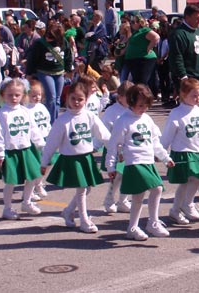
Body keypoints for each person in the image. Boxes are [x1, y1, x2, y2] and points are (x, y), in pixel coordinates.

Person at [106, 84, 174, 240]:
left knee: (143, 195)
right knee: (154, 189)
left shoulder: (147, 119)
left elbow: (155, 142)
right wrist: (111, 165)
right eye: (140, 105)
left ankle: (136, 226)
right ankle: (149, 223)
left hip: (147, 162)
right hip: (134, 163)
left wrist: (165, 158)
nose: (144, 108)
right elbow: (113, 145)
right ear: (131, 102)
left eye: (146, 105)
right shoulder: (123, 121)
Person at [41, 80, 110, 233]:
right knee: (82, 190)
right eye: (73, 98)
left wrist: (117, 147)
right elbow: (52, 142)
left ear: (86, 99)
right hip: (71, 159)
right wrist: (44, 162)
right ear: (67, 99)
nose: (77, 102)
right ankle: (84, 220)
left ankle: (68, 211)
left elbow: (103, 134)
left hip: (86, 157)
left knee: (87, 188)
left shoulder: (90, 116)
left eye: (80, 99)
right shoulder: (63, 120)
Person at [161, 78, 199, 224]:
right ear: (183, 95)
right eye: (194, 95)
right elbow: (167, 135)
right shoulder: (176, 113)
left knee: (198, 177)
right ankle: (178, 209)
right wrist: (162, 153)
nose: (197, 98)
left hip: (198, 152)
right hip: (182, 152)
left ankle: (183, 205)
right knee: (185, 182)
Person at [0, 78, 45, 220]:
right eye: (10, 95)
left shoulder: (26, 111)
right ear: (3, 95)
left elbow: (33, 129)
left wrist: (41, 144)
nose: (14, 98)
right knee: (11, 181)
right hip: (10, 152)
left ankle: (26, 202)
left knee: (33, 175)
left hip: (26, 150)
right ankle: (7, 209)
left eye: (17, 95)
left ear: (23, 95)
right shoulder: (2, 114)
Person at [25, 22, 73, 124]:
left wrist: (68, 69)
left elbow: (68, 56)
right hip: (44, 72)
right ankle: (50, 122)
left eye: (51, 36)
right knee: (51, 97)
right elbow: (32, 59)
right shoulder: (39, 43)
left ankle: (55, 121)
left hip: (59, 72)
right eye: (48, 35)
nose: (48, 38)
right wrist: (29, 73)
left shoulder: (64, 42)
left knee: (58, 99)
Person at [101, 81, 133, 213]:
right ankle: (109, 199)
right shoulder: (112, 111)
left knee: (128, 175)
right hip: (115, 149)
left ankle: (123, 200)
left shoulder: (133, 110)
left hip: (130, 149)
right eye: (128, 97)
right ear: (119, 97)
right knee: (117, 175)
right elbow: (103, 130)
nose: (131, 100)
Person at [168, 5, 199, 91]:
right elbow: (176, 57)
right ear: (187, 17)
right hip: (188, 78)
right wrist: (183, 76)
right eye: (197, 18)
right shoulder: (178, 34)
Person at [25, 79, 51, 201]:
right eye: (33, 95)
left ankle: (39, 183)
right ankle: (30, 191)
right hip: (33, 142)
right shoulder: (26, 109)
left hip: (45, 138)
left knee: (47, 163)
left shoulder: (42, 107)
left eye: (39, 94)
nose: (37, 97)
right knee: (35, 166)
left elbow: (47, 122)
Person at [124, 15, 159, 85]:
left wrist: (148, 48)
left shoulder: (144, 30)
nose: (132, 24)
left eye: (133, 22)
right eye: (131, 22)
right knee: (138, 82)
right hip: (134, 60)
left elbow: (156, 37)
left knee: (142, 82)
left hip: (143, 59)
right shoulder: (135, 33)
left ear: (139, 23)